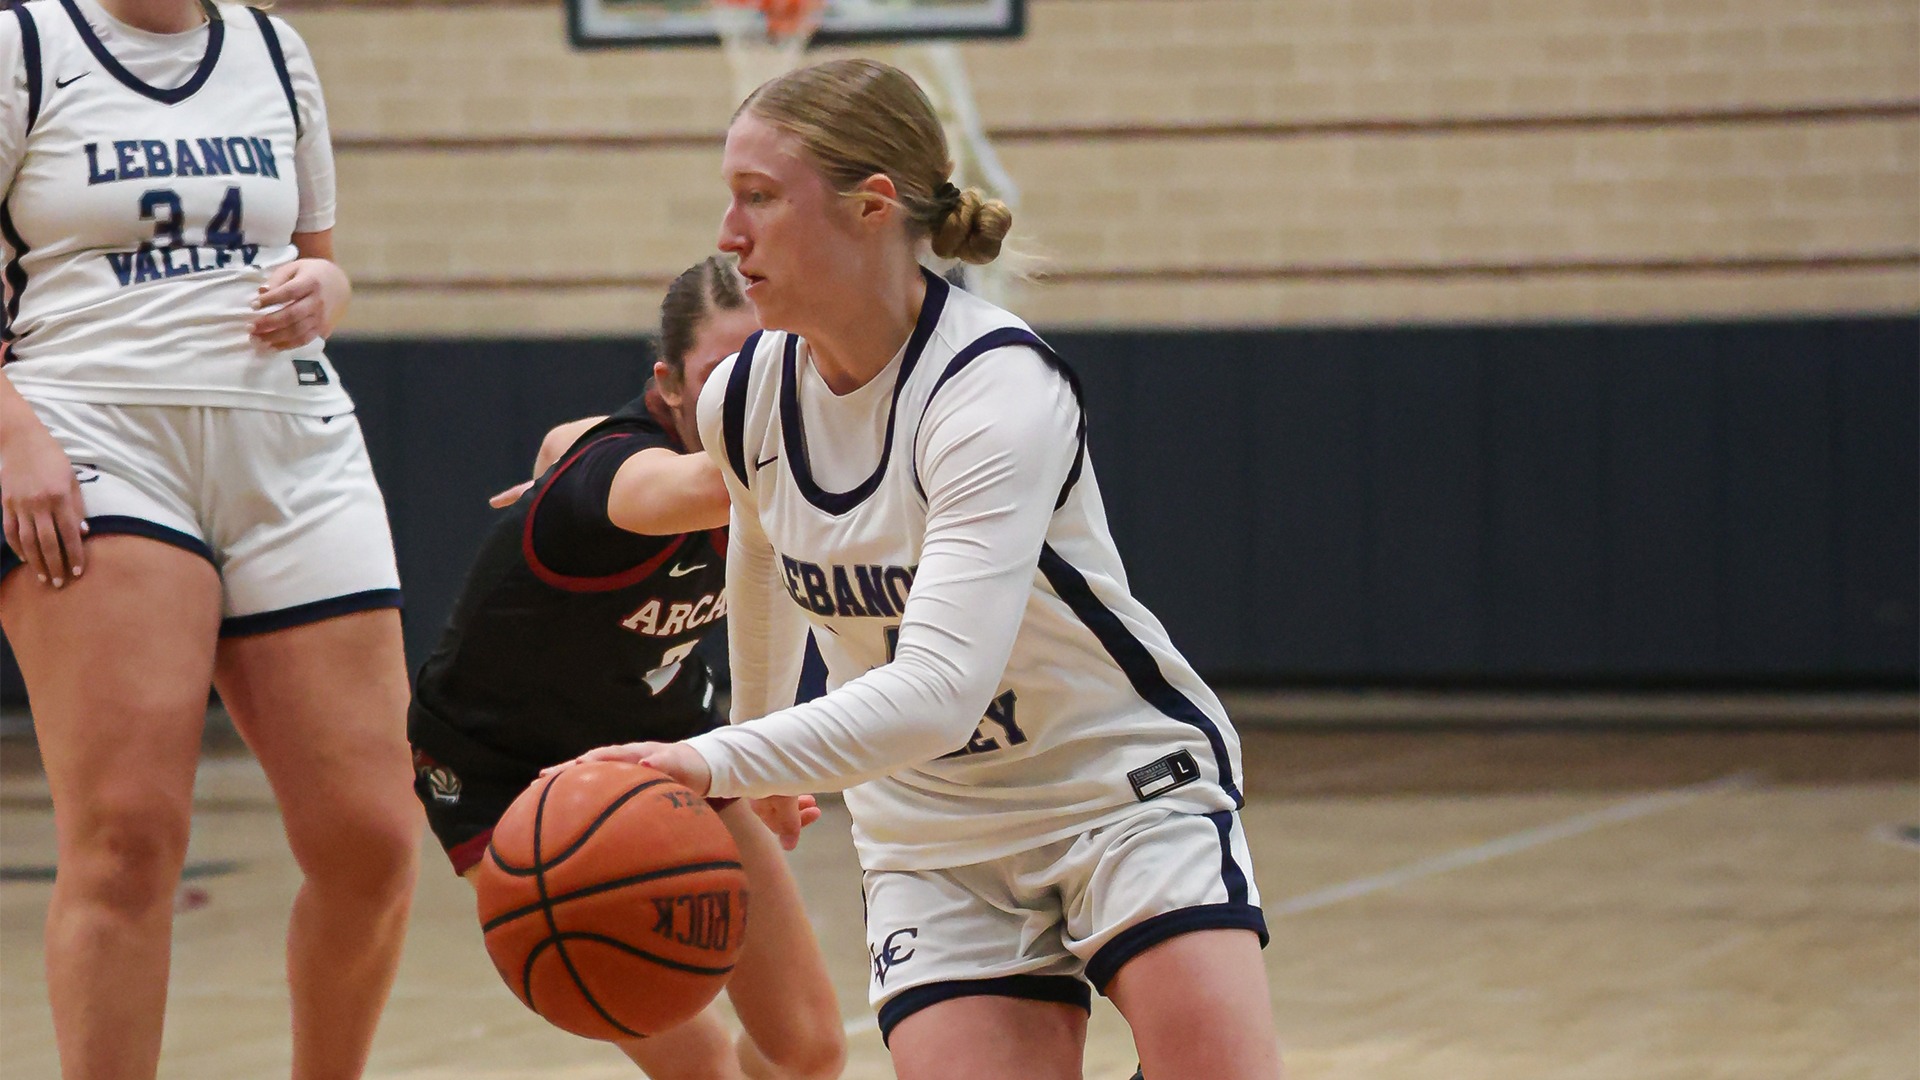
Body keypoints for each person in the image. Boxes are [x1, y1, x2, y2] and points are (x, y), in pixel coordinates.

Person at [566, 58, 1284, 1080]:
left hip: (1114, 787)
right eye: (729, 198)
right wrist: (752, 743)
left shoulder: (996, 392)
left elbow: (942, 693)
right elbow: (760, 555)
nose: (728, 234)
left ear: (870, 208)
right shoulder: (743, 395)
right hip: (933, 833)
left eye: (760, 199)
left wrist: (706, 761)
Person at [0, 1, 420, 1076]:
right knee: (130, 840)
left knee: (372, 840)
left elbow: (321, 261)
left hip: (293, 443)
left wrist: (326, 286)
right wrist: (12, 435)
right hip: (92, 433)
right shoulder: (23, 44)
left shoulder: (276, 49)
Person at [408, 255, 845, 1080]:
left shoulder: (695, 462)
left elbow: (565, 442)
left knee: (809, 1051)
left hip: (662, 743)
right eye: (723, 375)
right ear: (671, 386)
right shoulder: (641, 479)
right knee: (700, 1069)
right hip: (510, 771)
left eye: (770, 368)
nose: (749, 397)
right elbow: (697, 485)